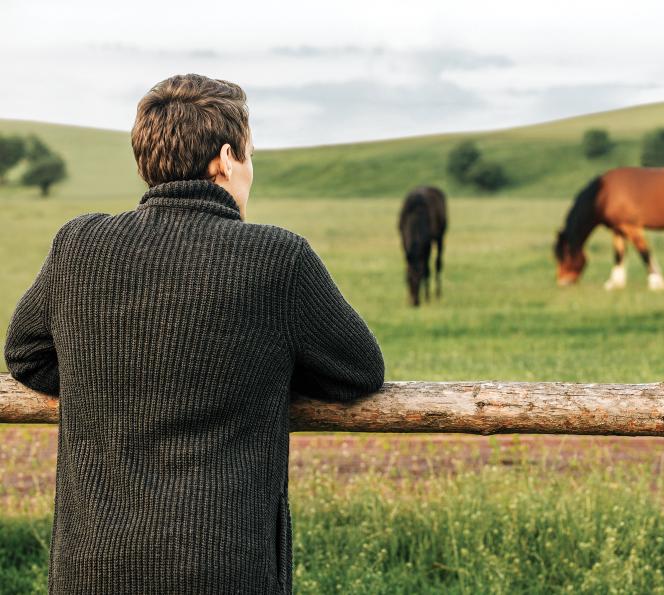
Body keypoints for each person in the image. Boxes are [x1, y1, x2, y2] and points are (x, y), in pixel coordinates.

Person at [3, 73, 385, 594]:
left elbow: (25, 355)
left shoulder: (78, 245)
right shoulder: (278, 258)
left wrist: (111, 385)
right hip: (222, 568)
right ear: (226, 158)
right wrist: (258, 377)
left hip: (91, 567)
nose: (250, 170)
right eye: (250, 155)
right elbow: (360, 372)